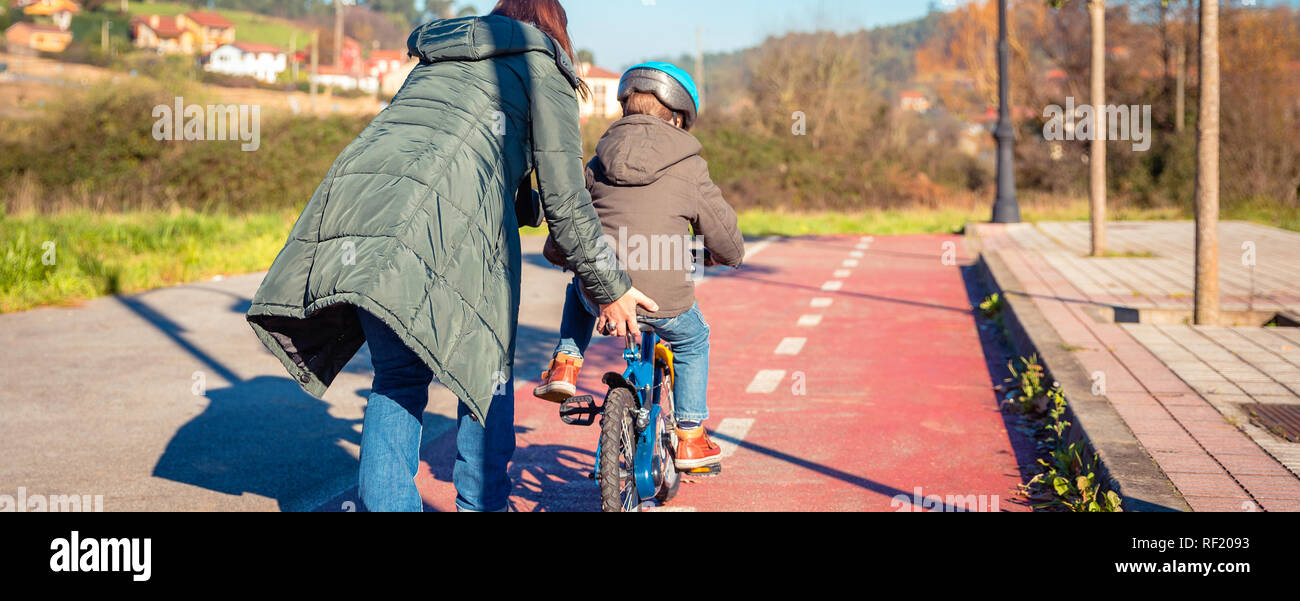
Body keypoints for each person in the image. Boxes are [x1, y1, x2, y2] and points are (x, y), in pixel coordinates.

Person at [245, 0, 658, 512]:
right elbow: (566, 201)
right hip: (439, 223)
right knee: (488, 374)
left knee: (396, 378)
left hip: (355, 207)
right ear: (557, 31)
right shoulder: (541, 65)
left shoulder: (437, 58)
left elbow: (451, 146)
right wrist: (611, 288)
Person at [533, 62, 745, 470]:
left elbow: (571, 223)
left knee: (579, 287)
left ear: (625, 108)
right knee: (692, 339)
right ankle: (690, 436)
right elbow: (723, 236)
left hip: (603, 294)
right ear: (679, 117)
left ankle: (565, 364)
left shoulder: (597, 162)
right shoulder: (689, 165)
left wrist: (563, 259)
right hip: (664, 301)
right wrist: (727, 254)